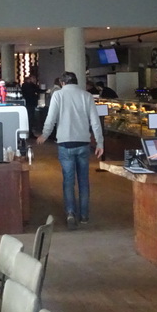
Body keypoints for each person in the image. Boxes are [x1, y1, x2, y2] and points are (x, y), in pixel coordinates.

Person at [36, 71, 104, 230]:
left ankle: (70, 214)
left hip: (65, 143)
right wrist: (100, 142)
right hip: (83, 143)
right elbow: (95, 121)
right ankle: (85, 215)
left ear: (62, 83)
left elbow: (51, 118)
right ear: (76, 81)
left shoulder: (58, 95)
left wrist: (44, 135)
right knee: (83, 180)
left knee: (68, 181)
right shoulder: (87, 96)